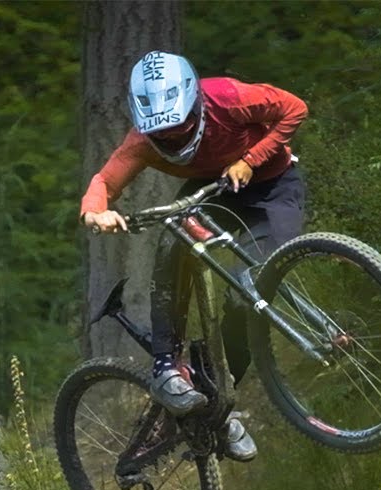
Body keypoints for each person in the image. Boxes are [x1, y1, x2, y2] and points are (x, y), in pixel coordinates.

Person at [80, 50, 308, 462]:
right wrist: (96, 212)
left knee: (249, 294)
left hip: (273, 186)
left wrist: (249, 159)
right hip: (213, 189)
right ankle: (166, 368)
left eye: (181, 125)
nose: (172, 137)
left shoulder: (230, 98)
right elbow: (103, 181)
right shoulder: (142, 142)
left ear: (195, 104)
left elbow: (294, 107)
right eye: (161, 132)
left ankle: (219, 399)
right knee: (174, 243)